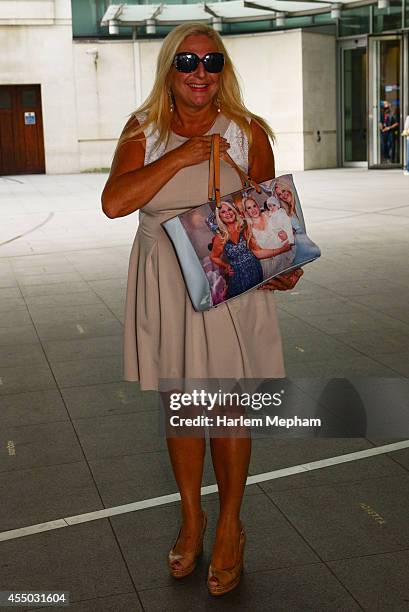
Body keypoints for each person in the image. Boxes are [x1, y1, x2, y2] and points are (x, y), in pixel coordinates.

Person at [101, 22, 303, 597]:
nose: (199, 73)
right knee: (186, 407)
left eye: (211, 62)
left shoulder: (247, 133)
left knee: (229, 409)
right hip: (166, 282)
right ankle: (192, 520)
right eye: (187, 62)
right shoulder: (144, 130)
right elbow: (115, 201)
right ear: (169, 68)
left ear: (223, 71)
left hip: (224, 281)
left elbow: (272, 218)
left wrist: (281, 265)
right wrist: (185, 154)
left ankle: (231, 526)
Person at [244, 196, 294, 278]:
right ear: (246, 212)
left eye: (254, 206)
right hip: (269, 264)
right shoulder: (248, 230)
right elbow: (258, 254)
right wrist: (282, 249)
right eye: (249, 208)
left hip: (284, 257)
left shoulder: (269, 214)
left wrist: (286, 235)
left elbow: (286, 224)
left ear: (258, 206)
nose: (253, 210)